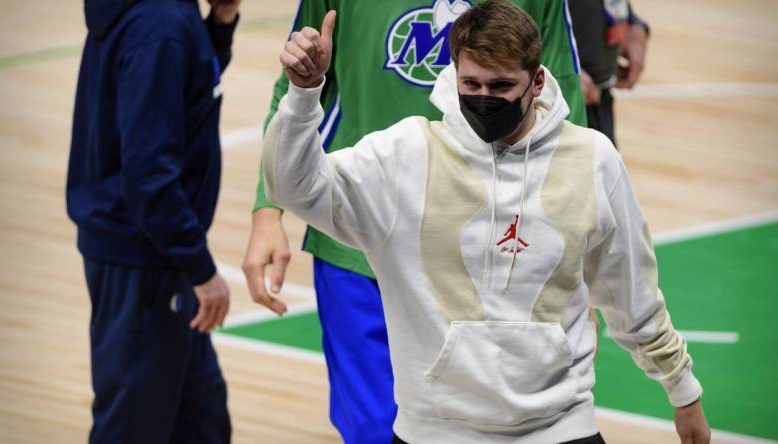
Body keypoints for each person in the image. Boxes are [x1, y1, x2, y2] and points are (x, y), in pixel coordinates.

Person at [263, 1, 712, 442]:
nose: (483, 98)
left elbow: (632, 293)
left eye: (500, 86)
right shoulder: (407, 156)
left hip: (561, 428)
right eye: (470, 83)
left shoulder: (591, 161)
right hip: (434, 432)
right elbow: (295, 186)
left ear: (537, 81)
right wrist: (304, 96)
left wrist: (683, 391)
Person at [243, 1, 587, 441]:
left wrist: (573, 264)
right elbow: (295, 80)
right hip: (355, 245)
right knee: (372, 429)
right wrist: (266, 210)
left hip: (487, 255)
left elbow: (565, 103)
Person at [66, 0, 240, 442]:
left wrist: (218, 26)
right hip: (146, 260)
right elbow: (149, 177)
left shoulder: (165, 17)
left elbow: (184, 95)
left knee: (201, 422)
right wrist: (201, 269)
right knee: (132, 428)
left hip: (159, 257)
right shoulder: (159, 26)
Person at [568, 0, 650, 146]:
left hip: (600, 99)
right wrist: (558, 69)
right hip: (563, 101)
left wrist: (634, 24)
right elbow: (516, 17)